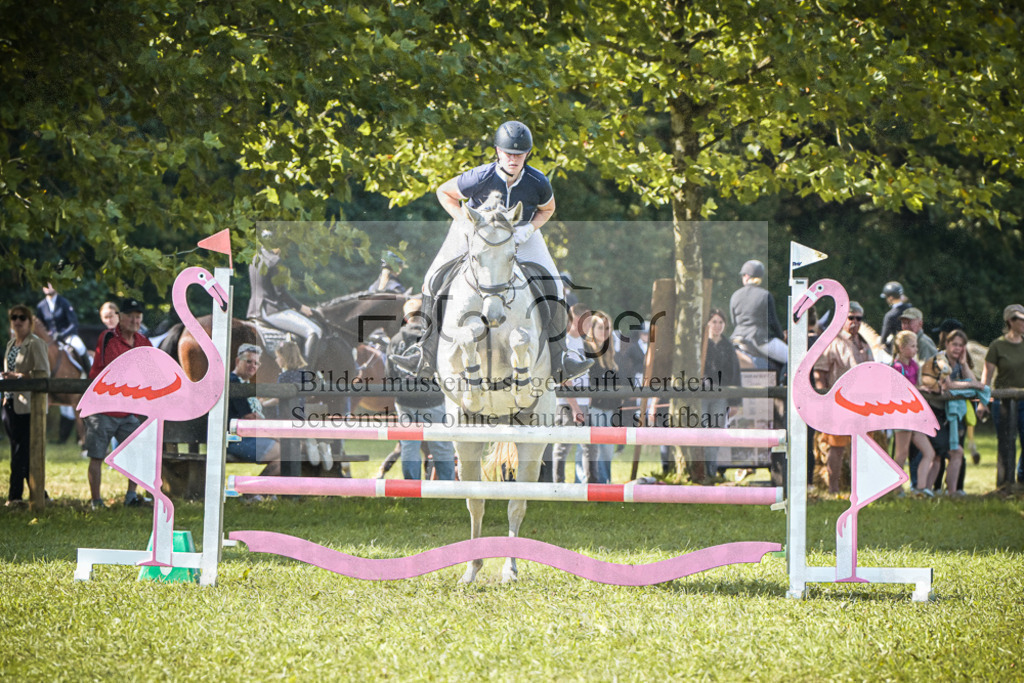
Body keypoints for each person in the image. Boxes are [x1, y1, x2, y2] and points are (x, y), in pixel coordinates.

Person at [396, 120, 592, 383]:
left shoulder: (538, 181)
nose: (513, 158)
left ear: (527, 154)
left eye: (519, 154)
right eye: (508, 153)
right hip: (477, 232)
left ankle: (561, 358)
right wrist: (464, 222)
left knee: (554, 284)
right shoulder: (480, 176)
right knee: (432, 278)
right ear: (498, 152)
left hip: (521, 232)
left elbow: (548, 209)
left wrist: (529, 229)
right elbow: (444, 192)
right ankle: (424, 353)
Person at [83, 298, 150, 509]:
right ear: (120, 317)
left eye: (138, 316)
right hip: (102, 408)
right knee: (96, 456)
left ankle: (131, 496)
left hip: (128, 410)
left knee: (138, 452)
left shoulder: (143, 341)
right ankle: (96, 501)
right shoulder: (108, 337)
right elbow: (116, 371)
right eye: (130, 315)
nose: (134, 319)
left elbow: (151, 371)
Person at [386, 299, 455, 480]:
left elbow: (389, 374)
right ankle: (446, 486)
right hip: (432, 399)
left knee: (409, 445)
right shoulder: (433, 337)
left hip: (404, 401)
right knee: (441, 445)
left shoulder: (395, 340)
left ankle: (412, 487)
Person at [812, 301, 873, 494]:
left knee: (863, 447)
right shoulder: (832, 341)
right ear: (842, 319)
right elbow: (819, 374)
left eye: (859, 318)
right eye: (850, 318)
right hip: (839, 402)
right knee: (836, 447)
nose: (854, 322)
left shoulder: (864, 343)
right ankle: (833, 488)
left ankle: (860, 489)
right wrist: (824, 401)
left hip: (864, 403)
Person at [920, 329, 986, 497]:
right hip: (936, 412)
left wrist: (964, 364)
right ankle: (925, 490)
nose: (957, 348)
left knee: (957, 451)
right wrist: (972, 385)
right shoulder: (940, 360)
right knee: (937, 453)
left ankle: (952, 492)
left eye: (961, 345)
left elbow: (971, 380)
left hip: (952, 415)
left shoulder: (960, 362)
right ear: (947, 344)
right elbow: (948, 385)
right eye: (954, 344)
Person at [2, 305, 50, 505]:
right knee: (19, 450)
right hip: (10, 403)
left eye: (22, 317)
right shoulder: (11, 344)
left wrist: (18, 377)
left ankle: (14, 496)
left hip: (29, 406)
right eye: (14, 317)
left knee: (21, 452)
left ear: (30, 322)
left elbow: (43, 373)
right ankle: (41, 494)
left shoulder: (35, 343)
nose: (18, 321)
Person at [248, 245, 324, 369]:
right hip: (271, 310)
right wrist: (300, 307)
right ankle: (304, 376)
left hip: (255, 310)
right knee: (314, 331)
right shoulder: (275, 261)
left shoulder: (254, 258)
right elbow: (281, 293)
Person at [543, 304, 589, 483]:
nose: (589, 325)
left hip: (582, 402)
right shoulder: (566, 343)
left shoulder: (582, 343)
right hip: (568, 404)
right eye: (587, 321)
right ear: (577, 320)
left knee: (588, 446)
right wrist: (575, 406)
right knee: (563, 446)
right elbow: (564, 377)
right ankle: (558, 484)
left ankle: (587, 483)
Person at [889, 331, 938, 496]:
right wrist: (919, 389)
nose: (916, 349)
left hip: (914, 417)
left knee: (929, 452)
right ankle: (895, 488)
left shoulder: (915, 366)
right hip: (902, 416)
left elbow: (917, 385)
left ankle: (921, 488)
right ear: (902, 348)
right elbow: (899, 390)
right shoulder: (897, 367)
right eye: (912, 346)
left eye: (916, 345)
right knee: (901, 453)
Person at [273, 340, 332, 471]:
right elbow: (310, 395)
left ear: (284, 358)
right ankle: (316, 444)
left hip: (286, 417)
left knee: (282, 442)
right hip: (301, 415)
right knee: (297, 437)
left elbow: (278, 398)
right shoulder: (304, 375)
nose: (276, 360)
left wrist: (264, 402)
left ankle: (309, 444)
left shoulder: (283, 377)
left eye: (278, 356)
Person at [982, 304, 1024, 486]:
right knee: (1006, 442)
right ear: (1009, 321)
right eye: (1018, 319)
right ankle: (1004, 483)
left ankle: (1021, 479)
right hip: (1004, 402)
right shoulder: (997, 345)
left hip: (1023, 400)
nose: (1022, 322)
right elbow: (987, 377)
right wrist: (982, 403)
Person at [226, 344, 282, 475]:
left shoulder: (244, 384)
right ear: (237, 361)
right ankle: (253, 491)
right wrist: (274, 434)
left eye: (256, 363)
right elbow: (249, 417)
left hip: (249, 437)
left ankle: (259, 490)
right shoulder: (233, 382)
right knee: (286, 451)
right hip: (236, 441)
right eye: (249, 361)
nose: (253, 366)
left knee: (288, 452)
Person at [701, 308, 741, 484]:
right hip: (700, 394)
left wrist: (735, 401)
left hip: (720, 394)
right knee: (699, 431)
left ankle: (711, 470)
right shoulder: (701, 344)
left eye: (720, 322)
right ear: (708, 323)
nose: (717, 326)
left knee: (716, 432)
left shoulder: (728, 346)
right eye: (714, 321)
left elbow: (735, 374)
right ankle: (698, 469)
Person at [584, 310, 622, 484]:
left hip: (610, 408)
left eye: (607, 328)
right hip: (594, 407)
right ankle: (587, 484)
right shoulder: (586, 351)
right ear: (592, 329)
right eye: (600, 327)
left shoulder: (610, 355)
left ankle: (606, 483)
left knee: (607, 449)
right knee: (591, 449)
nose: (604, 332)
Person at [729, 260, 787, 366]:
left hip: (736, 338)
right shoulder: (765, 295)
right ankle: (784, 381)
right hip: (759, 340)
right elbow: (772, 322)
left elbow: (734, 322)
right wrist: (781, 336)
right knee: (793, 359)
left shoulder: (735, 295)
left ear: (746, 276)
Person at [36, 283, 89, 373]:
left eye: (50, 284)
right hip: (51, 339)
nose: (47, 287)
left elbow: (74, 323)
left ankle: (89, 374)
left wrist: (63, 334)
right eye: (45, 285)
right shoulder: (41, 306)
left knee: (80, 347)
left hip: (67, 336)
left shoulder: (64, 302)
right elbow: (41, 326)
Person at [879, 281, 913, 354]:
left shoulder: (890, 315)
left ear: (890, 298)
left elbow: (883, 339)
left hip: (900, 350)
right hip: (914, 343)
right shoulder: (910, 308)